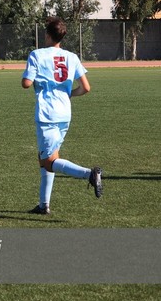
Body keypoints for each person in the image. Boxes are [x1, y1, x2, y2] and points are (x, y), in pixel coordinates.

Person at [22, 17, 102, 214]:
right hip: (64, 113)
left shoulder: (37, 55)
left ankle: (89, 175)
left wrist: (33, 79)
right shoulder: (71, 57)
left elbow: (26, 83)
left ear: (47, 34)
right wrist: (68, 93)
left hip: (47, 114)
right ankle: (43, 205)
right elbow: (86, 88)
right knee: (48, 158)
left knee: (49, 162)